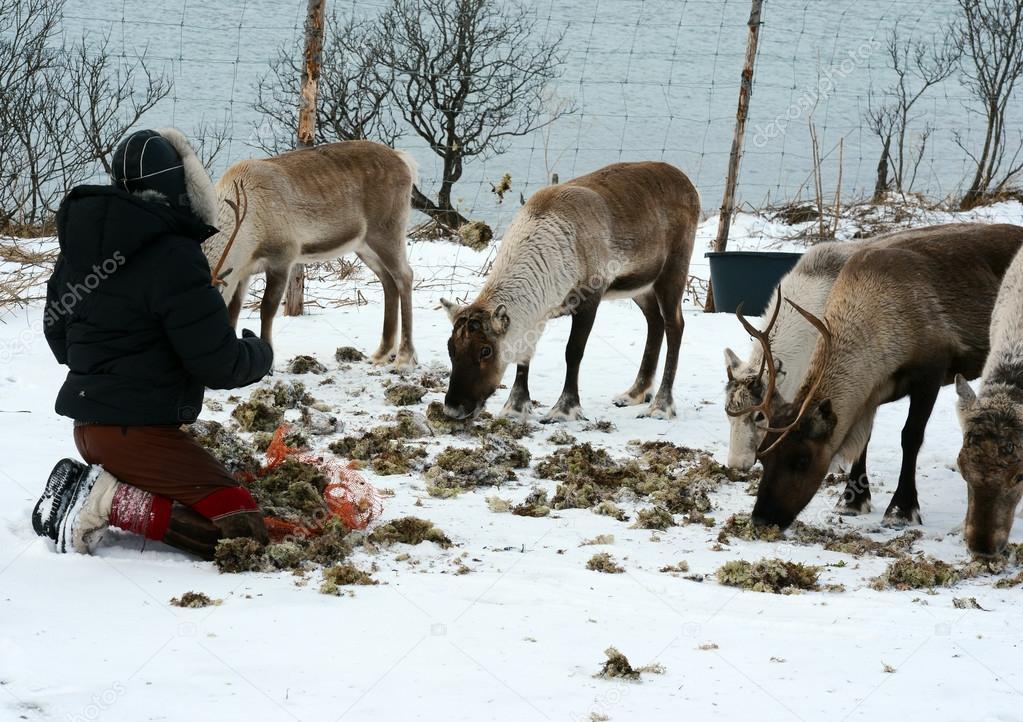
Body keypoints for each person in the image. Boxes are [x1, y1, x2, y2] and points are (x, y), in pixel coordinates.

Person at [32, 128, 274, 560]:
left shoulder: (81, 251)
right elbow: (219, 366)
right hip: (135, 436)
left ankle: (101, 486)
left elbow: (58, 335)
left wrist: (113, 363)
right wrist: (260, 352)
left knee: (204, 504)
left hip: (89, 430)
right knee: (241, 529)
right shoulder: (175, 256)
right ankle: (103, 500)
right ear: (181, 186)